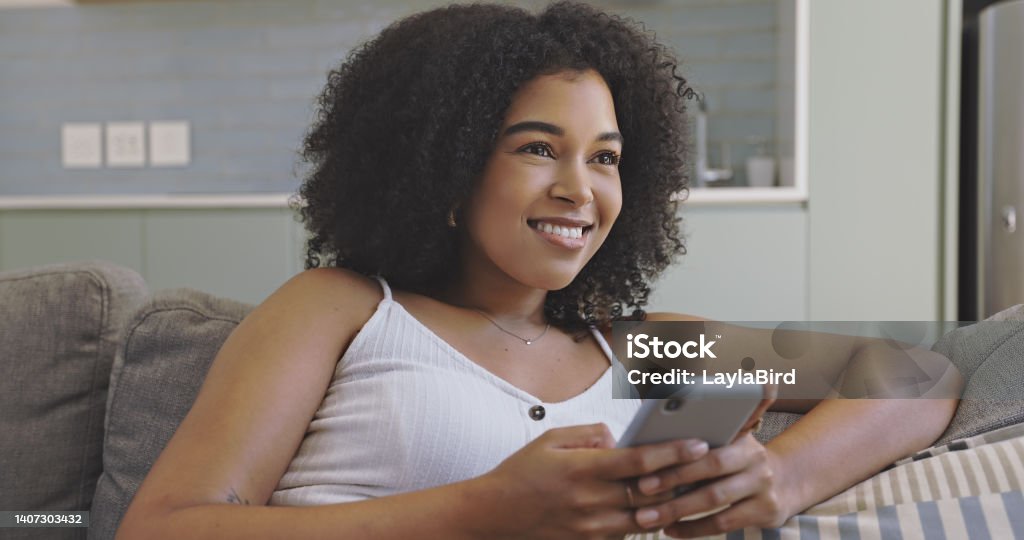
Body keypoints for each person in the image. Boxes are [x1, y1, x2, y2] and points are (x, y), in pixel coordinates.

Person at [116, 2, 961, 539]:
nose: (580, 189)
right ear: (444, 168)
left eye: (606, 158)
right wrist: (481, 511)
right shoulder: (343, 311)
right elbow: (164, 528)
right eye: (537, 149)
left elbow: (912, 373)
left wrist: (781, 478)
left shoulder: (642, 350)